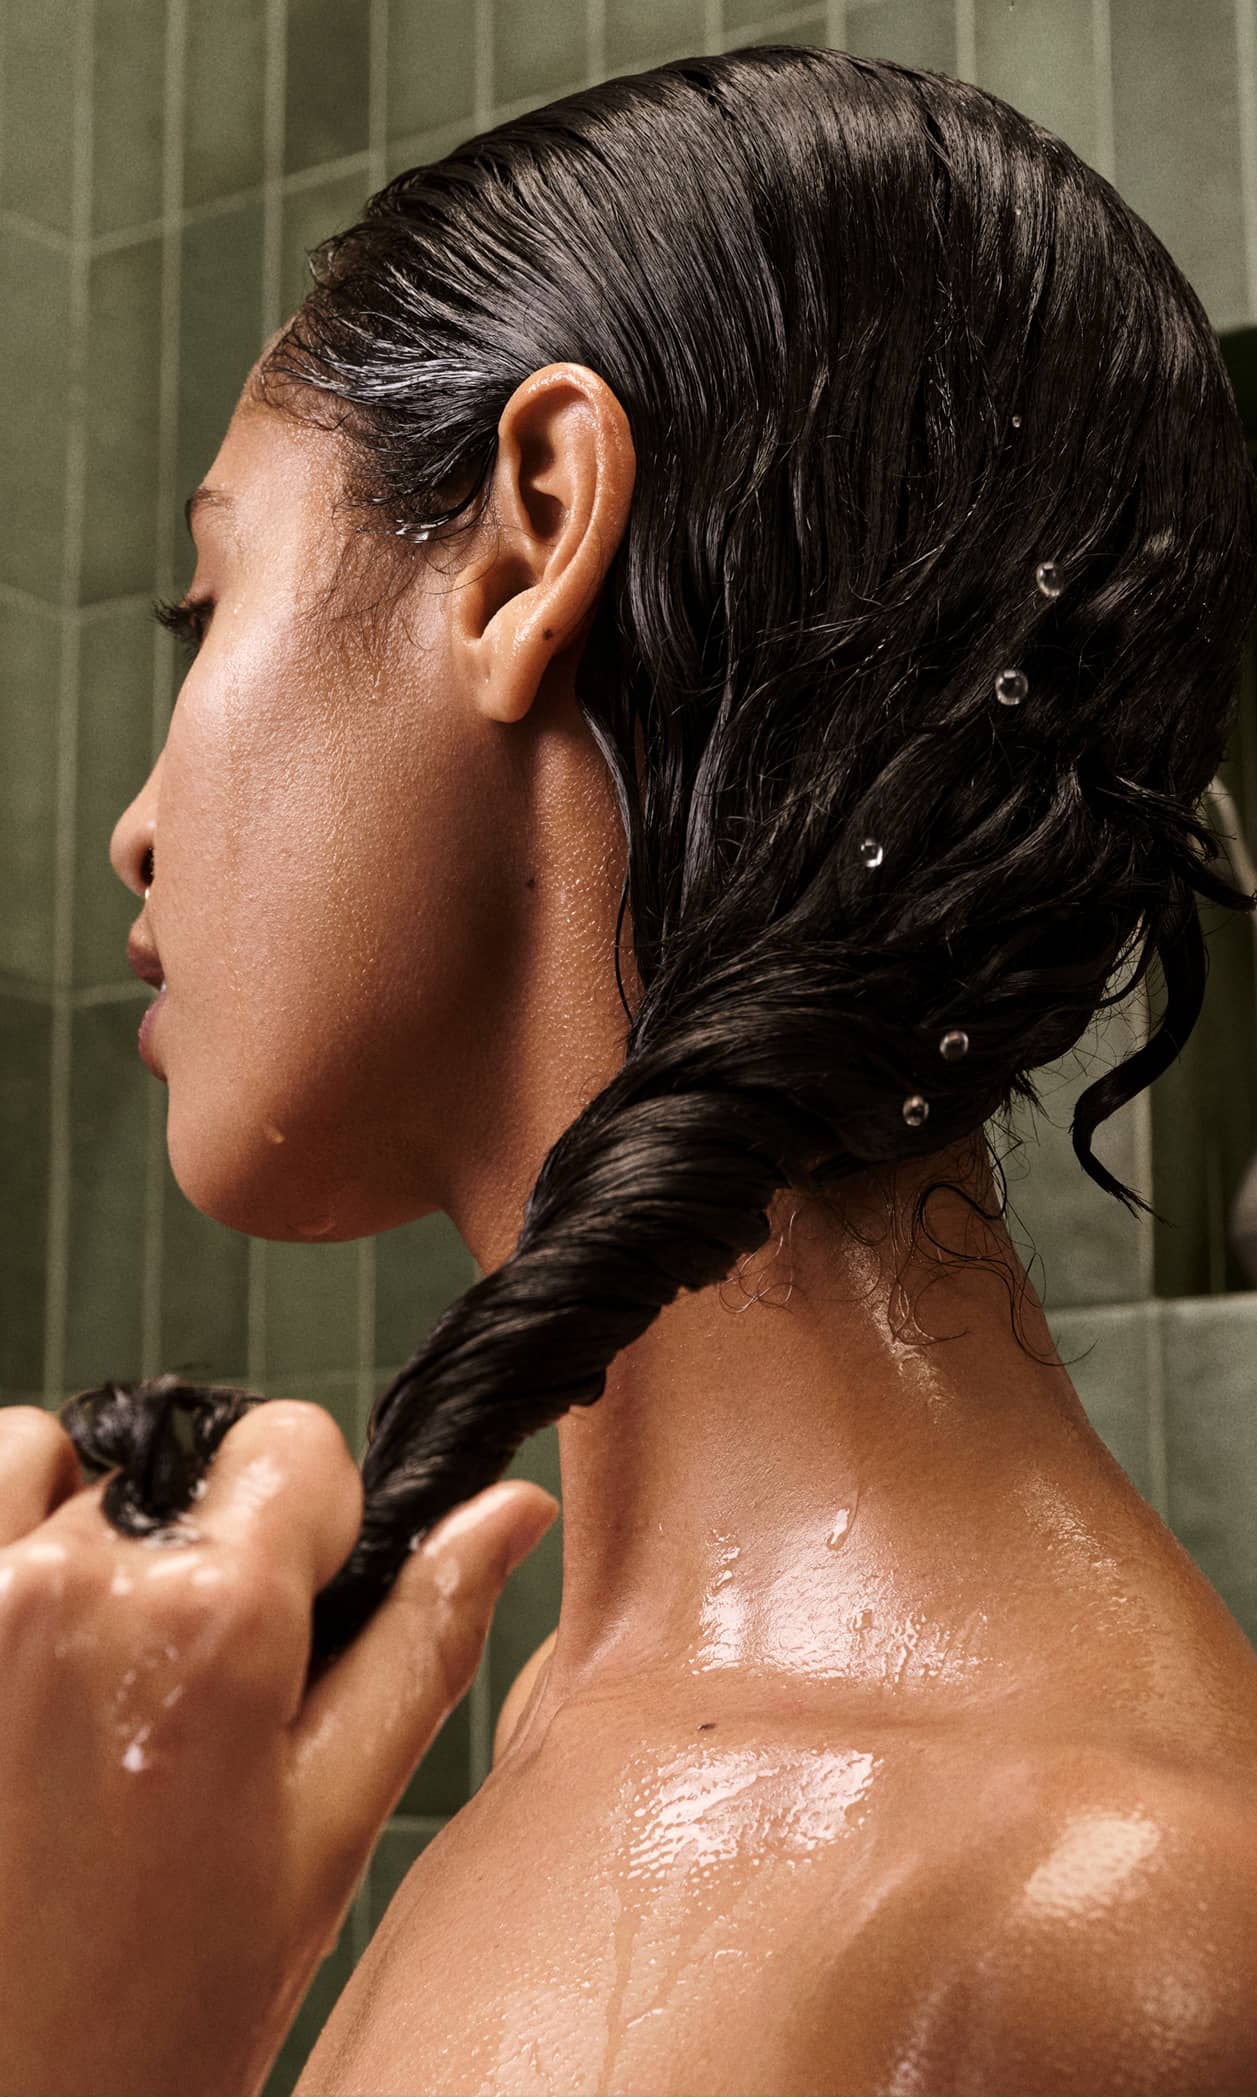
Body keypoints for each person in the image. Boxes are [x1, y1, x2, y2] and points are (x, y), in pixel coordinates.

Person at [60, 41, 1257, 2093]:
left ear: (531, 536)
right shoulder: (579, 1713)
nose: (133, 826)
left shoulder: (1070, 1921)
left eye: (206, 603)